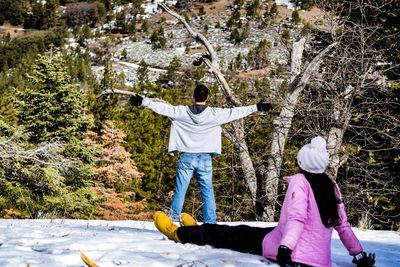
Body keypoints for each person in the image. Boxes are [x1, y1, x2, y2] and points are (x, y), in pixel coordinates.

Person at [153, 136, 376, 267]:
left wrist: (285, 249)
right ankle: (199, 231)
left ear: (302, 162)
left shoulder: (300, 181)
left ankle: (178, 234)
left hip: (289, 251)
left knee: (233, 235)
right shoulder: (331, 185)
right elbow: (343, 226)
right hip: (318, 257)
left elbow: (297, 219)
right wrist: (359, 255)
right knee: (239, 231)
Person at [130, 84, 272, 224]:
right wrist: (256, 107)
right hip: (205, 158)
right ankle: (210, 223)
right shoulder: (215, 114)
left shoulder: (182, 112)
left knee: (180, 190)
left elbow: (163, 108)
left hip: (186, 157)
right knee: (207, 192)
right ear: (207, 97)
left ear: (193, 96)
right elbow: (235, 112)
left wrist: (144, 101)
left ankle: (173, 219)